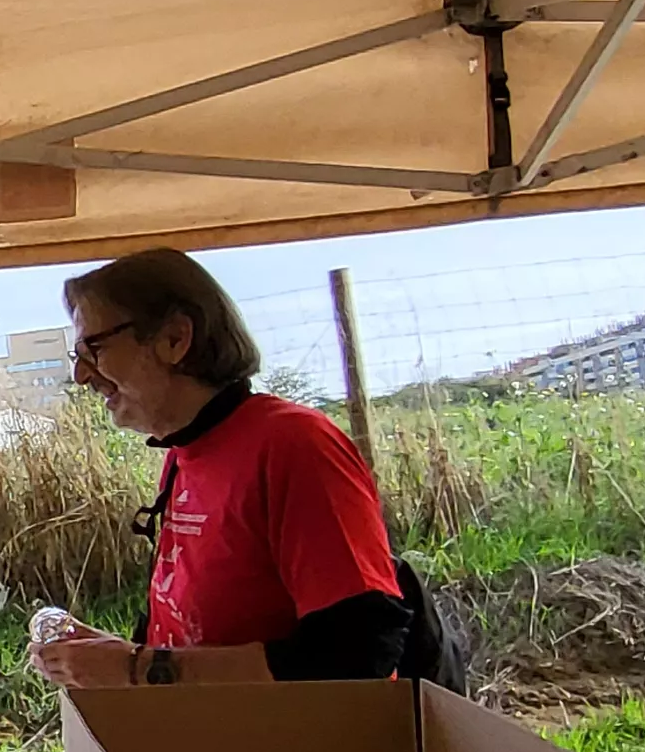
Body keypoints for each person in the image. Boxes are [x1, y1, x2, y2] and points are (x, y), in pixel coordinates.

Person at [29, 246, 411, 689]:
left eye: (93, 349)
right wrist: (115, 659)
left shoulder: (293, 444)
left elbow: (360, 650)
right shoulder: (184, 453)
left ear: (175, 338)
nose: (81, 375)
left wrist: (139, 669)